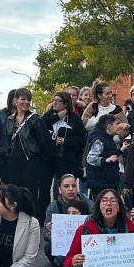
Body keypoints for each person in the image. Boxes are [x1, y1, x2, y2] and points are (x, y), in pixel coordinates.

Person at [4, 88, 51, 222]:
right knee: (14, 193)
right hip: (13, 161)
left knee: (30, 194)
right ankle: (16, 222)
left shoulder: (35, 119)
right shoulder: (9, 120)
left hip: (31, 161)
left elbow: (45, 142)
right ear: (16, 100)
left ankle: (32, 224)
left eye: (28, 100)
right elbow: (8, 139)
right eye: (23, 99)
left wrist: (39, 159)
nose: (26, 102)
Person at [42, 91, 87, 221]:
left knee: (66, 187)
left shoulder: (74, 118)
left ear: (66, 104)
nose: (54, 103)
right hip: (48, 157)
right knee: (44, 187)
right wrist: (57, 116)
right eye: (54, 100)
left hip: (66, 157)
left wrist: (66, 141)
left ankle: (67, 215)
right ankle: (44, 216)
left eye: (58, 101)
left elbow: (81, 138)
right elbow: (41, 126)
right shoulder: (49, 114)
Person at [43, 174, 93, 267]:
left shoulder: (89, 204)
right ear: (59, 189)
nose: (71, 189)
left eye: (74, 186)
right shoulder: (53, 207)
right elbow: (45, 234)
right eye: (66, 186)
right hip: (64, 247)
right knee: (48, 247)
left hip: (85, 246)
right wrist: (51, 233)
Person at [85, 115, 125, 196]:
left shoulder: (108, 138)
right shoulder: (99, 140)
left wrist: (121, 150)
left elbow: (108, 154)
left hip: (107, 182)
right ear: (109, 127)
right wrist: (105, 160)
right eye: (117, 124)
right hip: (101, 185)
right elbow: (90, 158)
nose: (119, 127)